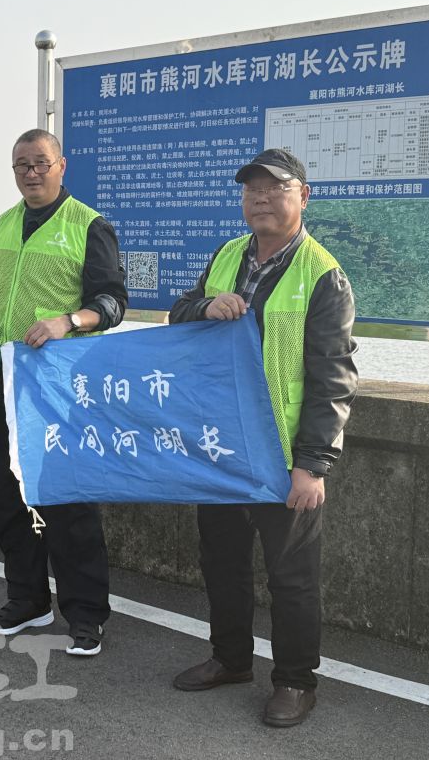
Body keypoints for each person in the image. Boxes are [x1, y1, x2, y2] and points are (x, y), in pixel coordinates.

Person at [168, 149, 358, 727]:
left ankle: (296, 681)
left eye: (276, 189)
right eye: (252, 189)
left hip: (282, 454)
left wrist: (313, 464)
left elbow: (333, 377)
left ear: (303, 196)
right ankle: (230, 659)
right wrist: (206, 305)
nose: (261, 199)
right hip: (223, 447)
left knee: (292, 577)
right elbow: (179, 316)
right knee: (222, 562)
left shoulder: (322, 274)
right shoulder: (228, 255)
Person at [0, 129, 127, 656]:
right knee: (8, 498)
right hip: (8, 378)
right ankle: (28, 599)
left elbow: (112, 303)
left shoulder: (89, 225)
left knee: (68, 503)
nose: (31, 172)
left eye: (41, 162)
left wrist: (68, 321)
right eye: (21, 165)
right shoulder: (5, 224)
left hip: (62, 387)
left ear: (62, 165)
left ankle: (86, 614)